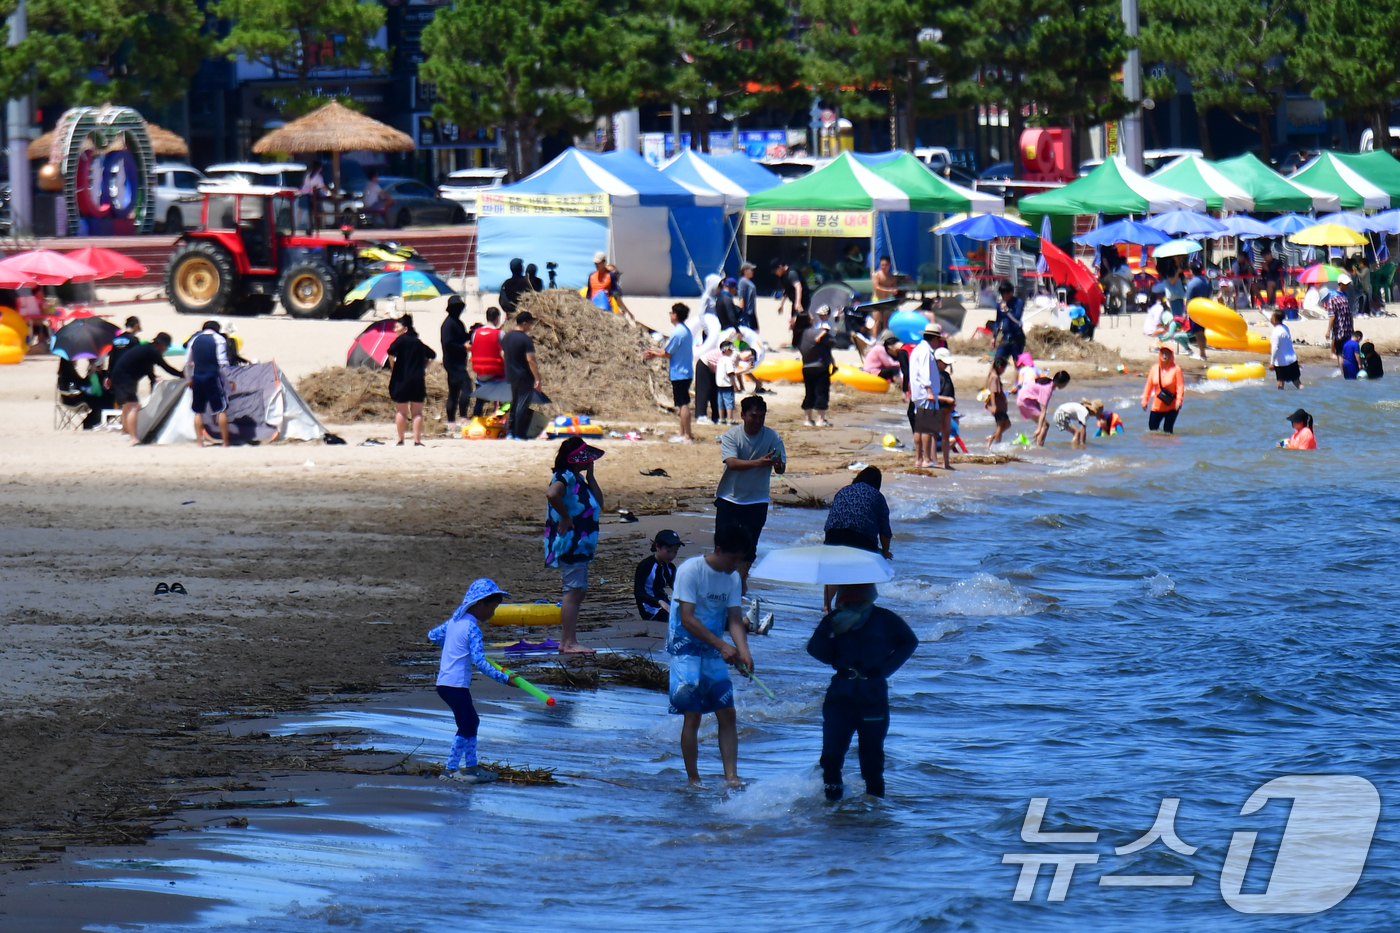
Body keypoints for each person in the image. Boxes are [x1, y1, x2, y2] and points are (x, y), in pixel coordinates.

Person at [807, 582, 917, 801]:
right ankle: (834, 808)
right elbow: (814, 648)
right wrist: (837, 653)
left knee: (871, 760)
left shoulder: (884, 619)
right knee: (831, 758)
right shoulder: (834, 620)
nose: (854, 597)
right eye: (849, 591)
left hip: (871, 696)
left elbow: (909, 642)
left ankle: (873, 812)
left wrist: (883, 669)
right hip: (841, 696)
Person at [668, 524, 754, 787]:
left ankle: (732, 777)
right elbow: (687, 618)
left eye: (741, 559)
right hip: (685, 651)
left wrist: (744, 651)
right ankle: (694, 780)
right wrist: (723, 646)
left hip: (715, 650)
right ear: (718, 550)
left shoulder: (732, 578)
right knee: (692, 715)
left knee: (727, 712)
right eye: (733, 558)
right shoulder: (690, 571)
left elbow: (735, 619)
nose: (737, 565)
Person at [428, 578, 515, 784]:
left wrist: (452, 649)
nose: (493, 613)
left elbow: (432, 635)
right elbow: (480, 662)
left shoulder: (454, 622)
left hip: (444, 684)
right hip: (456, 685)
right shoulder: (472, 628)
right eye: (492, 607)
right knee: (467, 724)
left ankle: (472, 767)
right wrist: (505, 679)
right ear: (479, 604)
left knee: (471, 722)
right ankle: (449, 771)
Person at [715, 395, 786, 590]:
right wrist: (758, 463)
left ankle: (738, 583)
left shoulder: (773, 437)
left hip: (757, 499)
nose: (758, 421)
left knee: (749, 546)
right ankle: (722, 581)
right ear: (743, 415)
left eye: (761, 417)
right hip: (729, 497)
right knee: (723, 543)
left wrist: (778, 465)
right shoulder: (732, 436)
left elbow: (781, 468)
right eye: (753, 416)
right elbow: (732, 463)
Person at [544, 437, 603, 655]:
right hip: (571, 542)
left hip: (581, 544)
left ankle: (569, 640)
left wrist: (591, 476)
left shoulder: (577, 479)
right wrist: (566, 517)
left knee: (578, 591)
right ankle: (567, 643)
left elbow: (599, 501)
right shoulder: (564, 476)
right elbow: (552, 494)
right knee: (573, 591)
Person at [822, 467, 893, 616]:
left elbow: (833, 517)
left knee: (834, 570)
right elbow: (884, 530)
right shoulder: (877, 496)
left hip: (834, 534)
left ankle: (827, 607)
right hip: (861, 537)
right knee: (861, 571)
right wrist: (885, 551)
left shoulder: (844, 490)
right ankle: (858, 607)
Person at [108, 331, 180, 444]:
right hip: (124, 378)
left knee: (128, 405)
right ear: (161, 344)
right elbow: (167, 368)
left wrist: (152, 379)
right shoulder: (153, 352)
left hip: (119, 376)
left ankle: (125, 430)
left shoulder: (148, 349)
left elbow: (148, 367)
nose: (166, 349)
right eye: (166, 346)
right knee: (134, 406)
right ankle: (133, 438)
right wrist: (183, 374)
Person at [642, 303, 694, 443]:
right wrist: (654, 352)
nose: (670, 315)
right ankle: (681, 432)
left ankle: (687, 435)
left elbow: (668, 354)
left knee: (683, 404)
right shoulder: (685, 331)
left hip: (680, 372)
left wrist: (654, 353)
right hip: (685, 371)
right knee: (680, 403)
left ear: (675, 315)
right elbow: (668, 351)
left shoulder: (678, 333)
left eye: (671, 313)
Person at [386, 314, 435, 447]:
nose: (395, 329)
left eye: (397, 327)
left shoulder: (401, 340)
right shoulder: (418, 342)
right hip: (417, 379)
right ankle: (417, 440)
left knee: (401, 411)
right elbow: (432, 355)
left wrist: (393, 367)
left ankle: (401, 439)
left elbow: (390, 352)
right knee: (417, 412)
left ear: (405, 329)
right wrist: (423, 367)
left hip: (401, 379)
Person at [185, 321, 235, 447]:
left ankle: (199, 442)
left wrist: (189, 379)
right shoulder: (219, 339)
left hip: (197, 376)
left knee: (198, 410)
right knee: (220, 409)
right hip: (212, 376)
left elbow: (187, 362)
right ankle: (225, 442)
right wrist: (230, 379)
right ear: (216, 329)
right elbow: (222, 362)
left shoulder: (194, 339)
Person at [501, 311, 541, 440]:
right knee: (522, 405)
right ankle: (519, 433)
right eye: (529, 323)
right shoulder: (525, 339)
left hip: (511, 375)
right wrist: (537, 378)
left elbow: (502, 354)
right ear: (524, 323)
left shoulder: (507, 337)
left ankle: (510, 432)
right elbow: (530, 360)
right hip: (524, 375)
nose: (530, 326)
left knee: (514, 403)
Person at [909, 324, 940, 468]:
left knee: (919, 427)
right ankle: (927, 459)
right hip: (925, 392)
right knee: (926, 426)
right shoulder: (926, 352)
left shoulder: (917, 349)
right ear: (934, 338)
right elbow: (925, 372)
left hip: (917, 392)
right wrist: (929, 390)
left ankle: (919, 458)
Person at [635, 530, 683, 622]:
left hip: (665, 604)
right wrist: (658, 602)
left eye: (675, 552)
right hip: (650, 609)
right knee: (679, 618)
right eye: (668, 551)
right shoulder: (646, 565)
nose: (672, 555)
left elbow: (677, 588)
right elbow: (639, 593)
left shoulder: (670, 567)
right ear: (657, 546)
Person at [799, 309, 834, 427]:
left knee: (809, 393)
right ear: (809, 321)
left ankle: (807, 419)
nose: (814, 317)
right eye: (811, 317)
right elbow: (832, 342)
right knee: (821, 392)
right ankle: (820, 419)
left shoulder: (800, 335)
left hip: (806, 367)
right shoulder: (817, 332)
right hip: (820, 366)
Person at [440, 296, 471, 431]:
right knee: (467, 387)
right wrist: (463, 347)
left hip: (458, 361)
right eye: (457, 307)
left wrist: (471, 334)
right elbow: (448, 344)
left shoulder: (457, 323)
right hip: (452, 362)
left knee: (454, 391)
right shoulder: (448, 324)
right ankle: (463, 417)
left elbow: (462, 337)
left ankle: (451, 420)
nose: (460, 310)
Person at [1020, 370, 1071, 447]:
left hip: (1026, 399)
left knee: (1044, 424)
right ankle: (1038, 448)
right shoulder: (1048, 389)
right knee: (1045, 426)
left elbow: (1036, 398)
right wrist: (1039, 428)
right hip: (1025, 401)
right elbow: (1044, 410)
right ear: (1062, 384)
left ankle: (1034, 444)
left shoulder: (1048, 382)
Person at [470, 307, 505, 417]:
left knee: (479, 401)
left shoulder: (475, 333)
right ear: (497, 318)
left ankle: (476, 418)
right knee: (505, 395)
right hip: (495, 373)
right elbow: (504, 353)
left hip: (480, 374)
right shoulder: (500, 333)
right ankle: (500, 416)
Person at [1141, 345, 1185, 433]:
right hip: (1157, 406)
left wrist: (1179, 401)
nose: (1164, 356)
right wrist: (1145, 401)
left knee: (1168, 431)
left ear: (1171, 355)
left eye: (1167, 353)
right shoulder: (1154, 368)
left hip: (1172, 406)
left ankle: (1168, 446)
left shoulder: (1176, 369)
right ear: (1159, 355)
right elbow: (1148, 386)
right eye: (1163, 353)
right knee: (1152, 429)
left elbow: (1180, 387)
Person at [932, 347, 957, 469]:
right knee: (934, 435)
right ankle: (934, 460)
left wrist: (952, 404)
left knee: (946, 436)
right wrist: (946, 400)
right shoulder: (933, 375)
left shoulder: (946, 375)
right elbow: (932, 394)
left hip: (947, 409)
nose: (946, 365)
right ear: (937, 361)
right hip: (937, 408)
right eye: (944, 363)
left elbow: (951, 392)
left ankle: (946, 463)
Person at [1326, 276, 1354, 375]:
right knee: (1342, 352)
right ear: (1340, 284)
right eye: (1345, 284)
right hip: (1344, 329)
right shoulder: (1338, 297)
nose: (1347, 286)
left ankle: (1344, 372)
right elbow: (1332, 317)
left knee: (1341, 353)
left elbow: (1334, 316)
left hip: (1343, 329)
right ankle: (1345, 372)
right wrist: (1328, 330)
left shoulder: (1340, 296)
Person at [993, 281, 1025, 366]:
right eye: (1002, 295)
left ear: (1011, 293)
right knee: (997, 361)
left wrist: (1007, 311)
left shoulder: (1018, 302)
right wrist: (994, 337)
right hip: (1006, 337)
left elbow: (1017, 319)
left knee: (1017, 363)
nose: (1003, 297)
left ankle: (1018, 378)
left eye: (1005, 294)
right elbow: (997, 321)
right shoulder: (1000, 305)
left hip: (1017, 337)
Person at [774, 258, 806, 342]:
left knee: (799, 321)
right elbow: (787, 290)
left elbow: (798, 287)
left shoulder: (791, 274)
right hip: (795, 301)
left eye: (776, 270)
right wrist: (781, 304)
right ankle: (795, 342)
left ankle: (801, 342)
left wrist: (798, 303)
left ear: (780, 266)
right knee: (792, 322)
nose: (775, 273)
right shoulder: (783, 276)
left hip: (803, 300)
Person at [1269, 309, 1302, 390]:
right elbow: (1274, 319)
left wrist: (1271, 362)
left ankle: (1280, 401)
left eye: (1271, 316)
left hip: (1282, 362)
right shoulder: (1285, 328)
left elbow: (1275, 348)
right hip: (1292, 360)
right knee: (1297, 383)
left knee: (1280, 384)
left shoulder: (1276, 332)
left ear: (1275, 320)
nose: (1270, 318)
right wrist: (1262, 311)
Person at [984, 357, 1011, 449]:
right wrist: (994, 405)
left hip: (1000, 405)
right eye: (1004, 368)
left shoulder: (993, 375)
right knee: (1000, 425)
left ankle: (992, 438)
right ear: (1000, 367)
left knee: (1007, 424)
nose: (1003, 371)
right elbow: (993, 392)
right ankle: (996, 443)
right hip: (998, 405)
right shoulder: (994, 377)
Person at [297, 160, 328, 231]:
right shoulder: (318, 176)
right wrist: (330, 192)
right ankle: (309, 225)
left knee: (302, 210)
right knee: (310, 211)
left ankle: (299, 225)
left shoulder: (308, 174)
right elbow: (323, 187)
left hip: (303, 192)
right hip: (310, 195)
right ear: (319, 168)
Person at [715, 340, 737, 424]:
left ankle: (721, 419)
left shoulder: (720, 360)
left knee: (720, 402)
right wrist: (735, 385)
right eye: (731, 349)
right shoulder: (728, 360)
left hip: (719, 384)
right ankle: (730, 419)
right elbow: (730, 373)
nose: (732, 351)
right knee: (729, 402)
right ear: (726, 350)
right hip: (727, 385)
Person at [735, 262, 759, 331]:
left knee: (756, 330)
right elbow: (741, 297)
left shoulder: (748, 281)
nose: (753, 272)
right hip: (748, 312)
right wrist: (741, 313)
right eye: (751, 270)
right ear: (745, 271)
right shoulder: (742, 282)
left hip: (752, 311)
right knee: (753, 331)